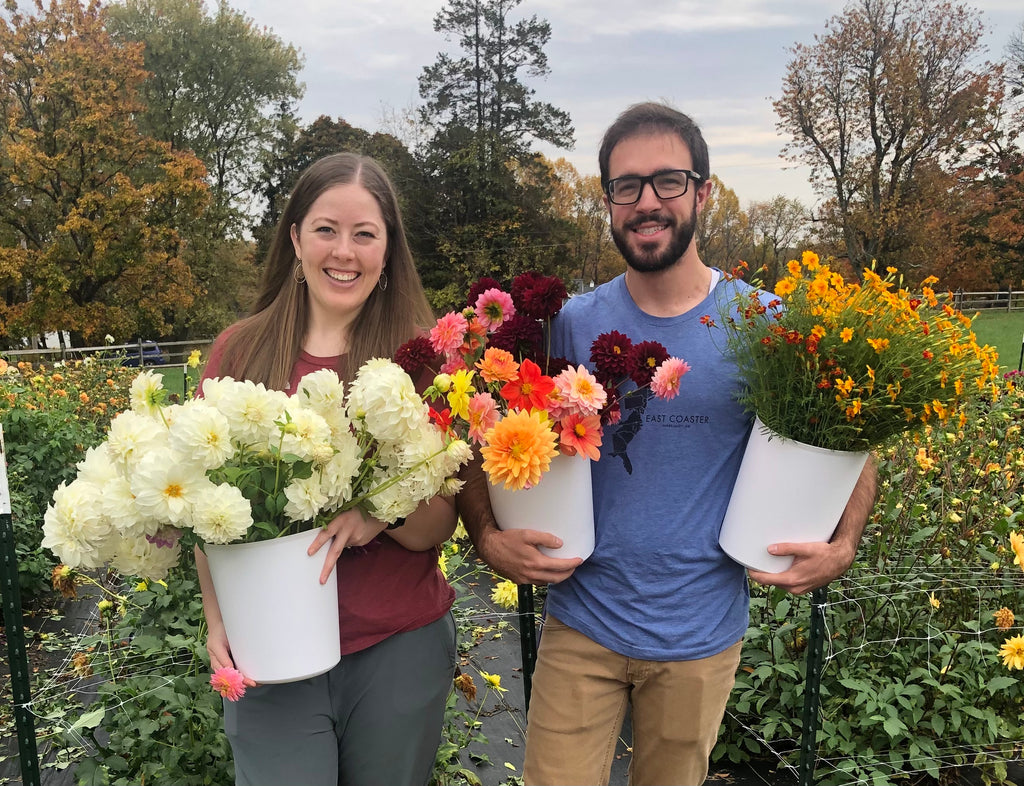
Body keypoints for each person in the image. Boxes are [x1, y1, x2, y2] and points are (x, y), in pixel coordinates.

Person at [456, 102, 878, 786]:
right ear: (608, 203)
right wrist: (484, 534)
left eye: (669, 182)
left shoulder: (765, 326)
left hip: (700, 638)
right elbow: (477, 428)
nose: (647, 202)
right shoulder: (567, 325)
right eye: (627, 186)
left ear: (703, 192)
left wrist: (845, 541)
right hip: (582, 624)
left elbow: (856, 442)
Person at [195, 152, 458, 786]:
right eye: (326, 229)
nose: (345, 251)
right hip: (268, 643)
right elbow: (202, 504)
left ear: (388, 251)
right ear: (294, 239)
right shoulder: (241, 350)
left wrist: (376, 507)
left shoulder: (420, 360)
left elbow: (436, 529)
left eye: (365, 234)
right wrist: (216, 618)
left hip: (395, 642)